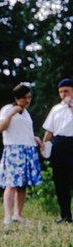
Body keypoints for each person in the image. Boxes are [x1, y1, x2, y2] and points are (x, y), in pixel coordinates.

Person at [0, 83, 43, 224]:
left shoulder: (27, 114)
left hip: (27, 149)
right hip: (13, 150)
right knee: (11, 184)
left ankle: (18, 215)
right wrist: (12, 113)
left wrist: (35, 139)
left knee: (22, 185)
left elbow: (25, 132)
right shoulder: (7, 109)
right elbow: (1, 128)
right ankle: (7, 216)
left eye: (29, 97)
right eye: (25, 98)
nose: (28, 101)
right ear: (17, 98)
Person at [41, 77, 73, 224]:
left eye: (66, 91)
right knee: (60, 181)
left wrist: (70, 105)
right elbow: (50, 130)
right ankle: (65, 215)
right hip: (59, 144)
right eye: (60, 92)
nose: (63, 94)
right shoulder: (56, 109)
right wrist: (44, 143)